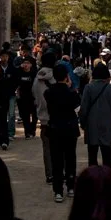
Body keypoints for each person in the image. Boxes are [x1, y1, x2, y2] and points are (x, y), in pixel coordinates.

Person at [46, 61, 81, 202]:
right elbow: (77, 109)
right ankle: (71, 186)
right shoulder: (72, 93)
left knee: (57, 160)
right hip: (70, 128)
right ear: (67, 76)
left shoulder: (48, 93)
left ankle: (58, 190)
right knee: (70, 158)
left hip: (55, 128)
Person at [79, 59, 111, 169]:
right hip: (107, 123)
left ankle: (92, 174)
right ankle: (109, 175)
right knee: (107, 152)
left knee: (92, 152)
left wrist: (82, 122)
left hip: (92, 123)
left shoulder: (88, 88)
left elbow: (84, 107)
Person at [15, 56, 39, 139]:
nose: (26, 65)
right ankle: (27, 132)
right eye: (24, 63)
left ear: (31, 65)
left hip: (33, 97)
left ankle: (33, 130)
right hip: (23, 97)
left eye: (28, 63)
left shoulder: (34, 73)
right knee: (25, 116)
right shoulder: (19, 72)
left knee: (35, 116)